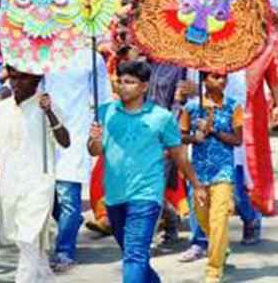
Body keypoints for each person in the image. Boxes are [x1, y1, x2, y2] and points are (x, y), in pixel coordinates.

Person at [88, 60, 207, 283]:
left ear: (144, 86)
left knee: (134, 256)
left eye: (130, 82)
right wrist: (94, 138)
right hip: (114, 195)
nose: (123, 86)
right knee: (134, 255)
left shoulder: (161, 117)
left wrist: (196, 184)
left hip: (146, 194)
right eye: (120, 82)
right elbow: (94, 150)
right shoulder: (106, 112)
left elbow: (178, 153)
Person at [0, 67, 70, 282]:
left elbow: (65, 141)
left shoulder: (47, 105)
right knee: (28, 244)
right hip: (8, 184)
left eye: (23, 78)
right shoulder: (2, 108)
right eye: (13, 78)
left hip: (38, 182)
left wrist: (49, 112)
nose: (17, 83)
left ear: (37, 79)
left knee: (28, 238)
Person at [44, 45, 113, 271]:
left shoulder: (90, 56)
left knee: (68, 196)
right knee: (48, 196)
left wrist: (103, 128)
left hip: (75, 129)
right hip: (43, 130)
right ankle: (72, 223)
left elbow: (103, 96)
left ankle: (64, 250)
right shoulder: (41, 49)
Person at [179, 72, 243, 283]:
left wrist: (213, 130)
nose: (222, 81)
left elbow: (237, 140)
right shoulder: (191, 107)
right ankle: (220, 246)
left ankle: (213, 270)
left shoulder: (233, 106)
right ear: (204, 80)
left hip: (223, 171)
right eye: (216, 77)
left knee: (219, 219)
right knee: (202, 217)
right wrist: (194, 137)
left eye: (225, 78)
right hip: (198, 173)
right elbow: (180, 136)